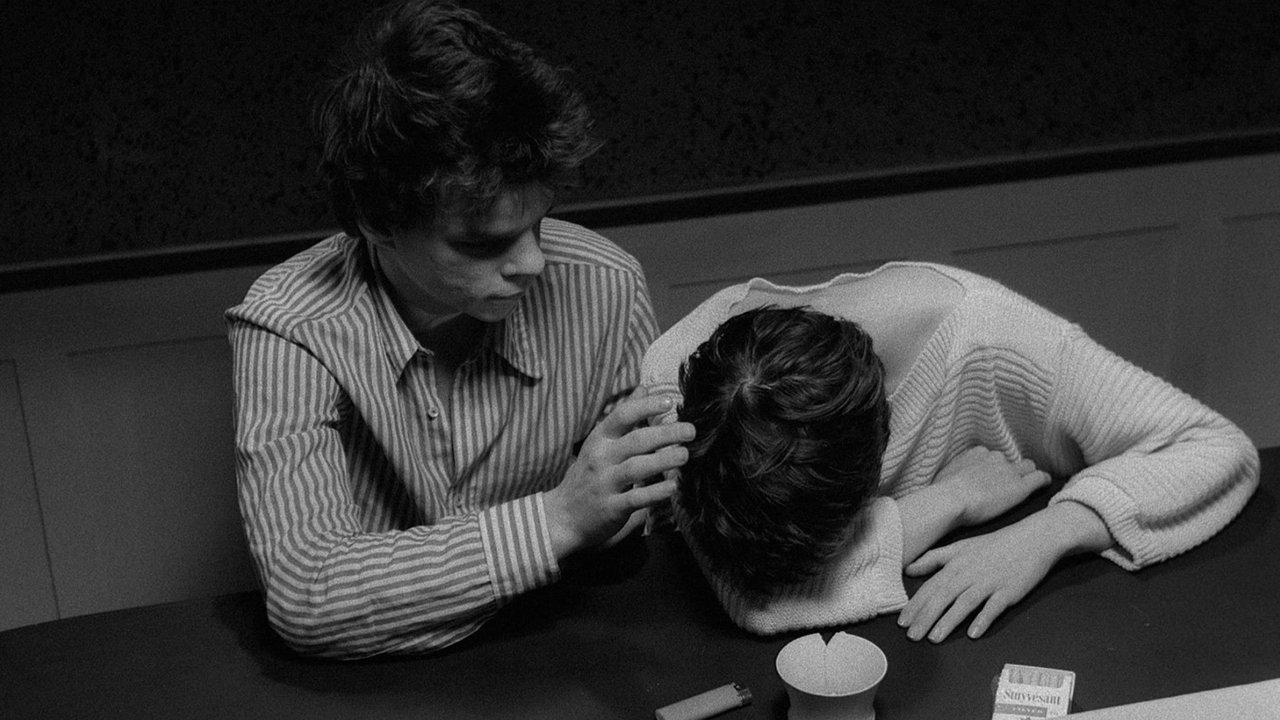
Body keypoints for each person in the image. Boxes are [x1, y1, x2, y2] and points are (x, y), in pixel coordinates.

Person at [226, 0, 691, 658]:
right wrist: (559, 519)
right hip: (375, 687)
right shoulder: (288, 325)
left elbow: (654, 525)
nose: (533, 263)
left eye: (538, 223)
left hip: (561, 654)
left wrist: (624, 509)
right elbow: (309, 595)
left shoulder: (606, 284)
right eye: (483, 243)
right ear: (376, 222)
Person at [641, 261, 1259, 643]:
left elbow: (1216, 445)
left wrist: (1052, 531)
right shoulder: (674, 382)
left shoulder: (996, 334)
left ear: (880, 438)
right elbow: (758, 598)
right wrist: (949, 499)